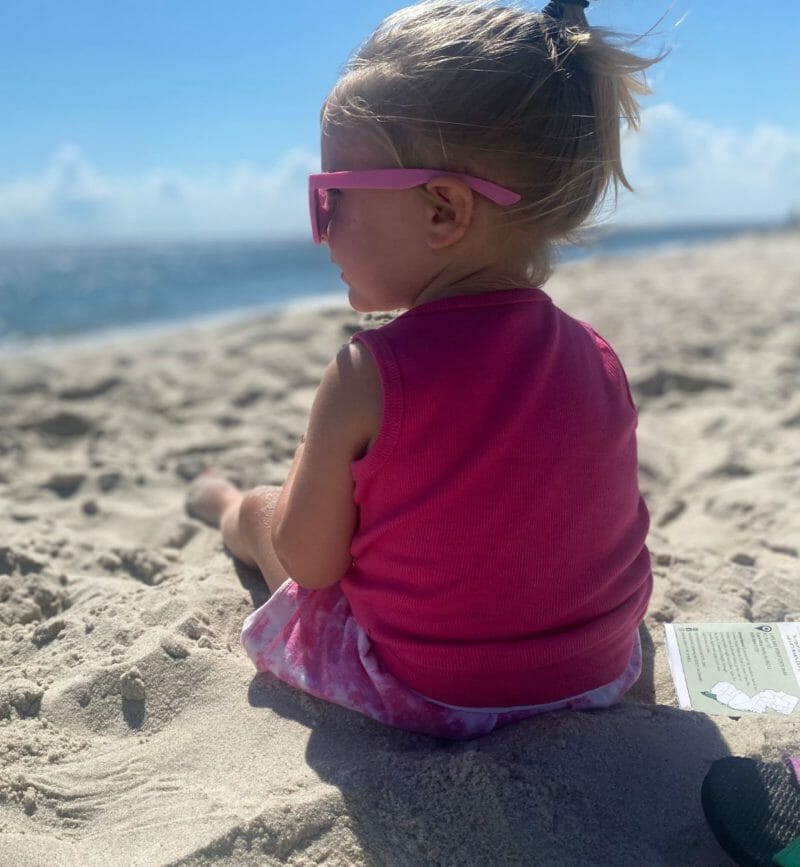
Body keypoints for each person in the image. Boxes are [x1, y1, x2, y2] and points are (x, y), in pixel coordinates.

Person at [186, 0, 660, 739]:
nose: (323, 230)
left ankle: (217, 501)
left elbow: (310, 564)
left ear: (443, 209)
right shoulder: (598, 355)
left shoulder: (365, 374)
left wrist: (270, 514)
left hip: (431, 691)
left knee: (259, 512)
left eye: (331, 198)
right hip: (597, 676)